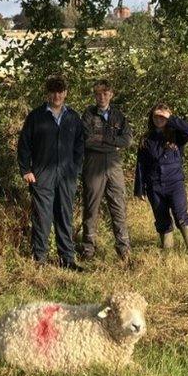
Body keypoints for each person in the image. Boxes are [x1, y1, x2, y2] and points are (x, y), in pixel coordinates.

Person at [17, 75, 86, 271]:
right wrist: (26, 170)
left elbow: (79, 146)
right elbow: (24, 145)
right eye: (53, 91)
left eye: (60, 91)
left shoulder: (73, 117)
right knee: (42, 218)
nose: (57, 95)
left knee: (65, 216)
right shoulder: (36, 116)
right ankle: (40, 259)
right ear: (48, 93)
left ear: (65, 93)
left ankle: (67, 259)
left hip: (66, 176)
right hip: (42, 175)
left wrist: (75, 169)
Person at [133, 103, 188, 258]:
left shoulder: (177, 135)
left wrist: (171, 118)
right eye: (156, 116)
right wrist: (139, 189)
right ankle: (168, 258)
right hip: (154, 185)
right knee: (162, 220)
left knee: (181, 216)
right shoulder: (146, 138)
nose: (159, 119)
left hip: (175, 183)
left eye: (162, 116)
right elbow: (141, 164)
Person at [79, 79, 133, 262]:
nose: (101, 97)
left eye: (105, 93)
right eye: (98, 93)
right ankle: (88, 250)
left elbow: (127, 141)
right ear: (94, 95)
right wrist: (112, 142)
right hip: (93, 164)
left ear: (111, 94)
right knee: (91, 207)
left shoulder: (118, 116)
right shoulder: (88, 114)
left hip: (114, 165)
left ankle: (124, 250)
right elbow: (87, 140)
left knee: (118, 206)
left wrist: (103, 140)